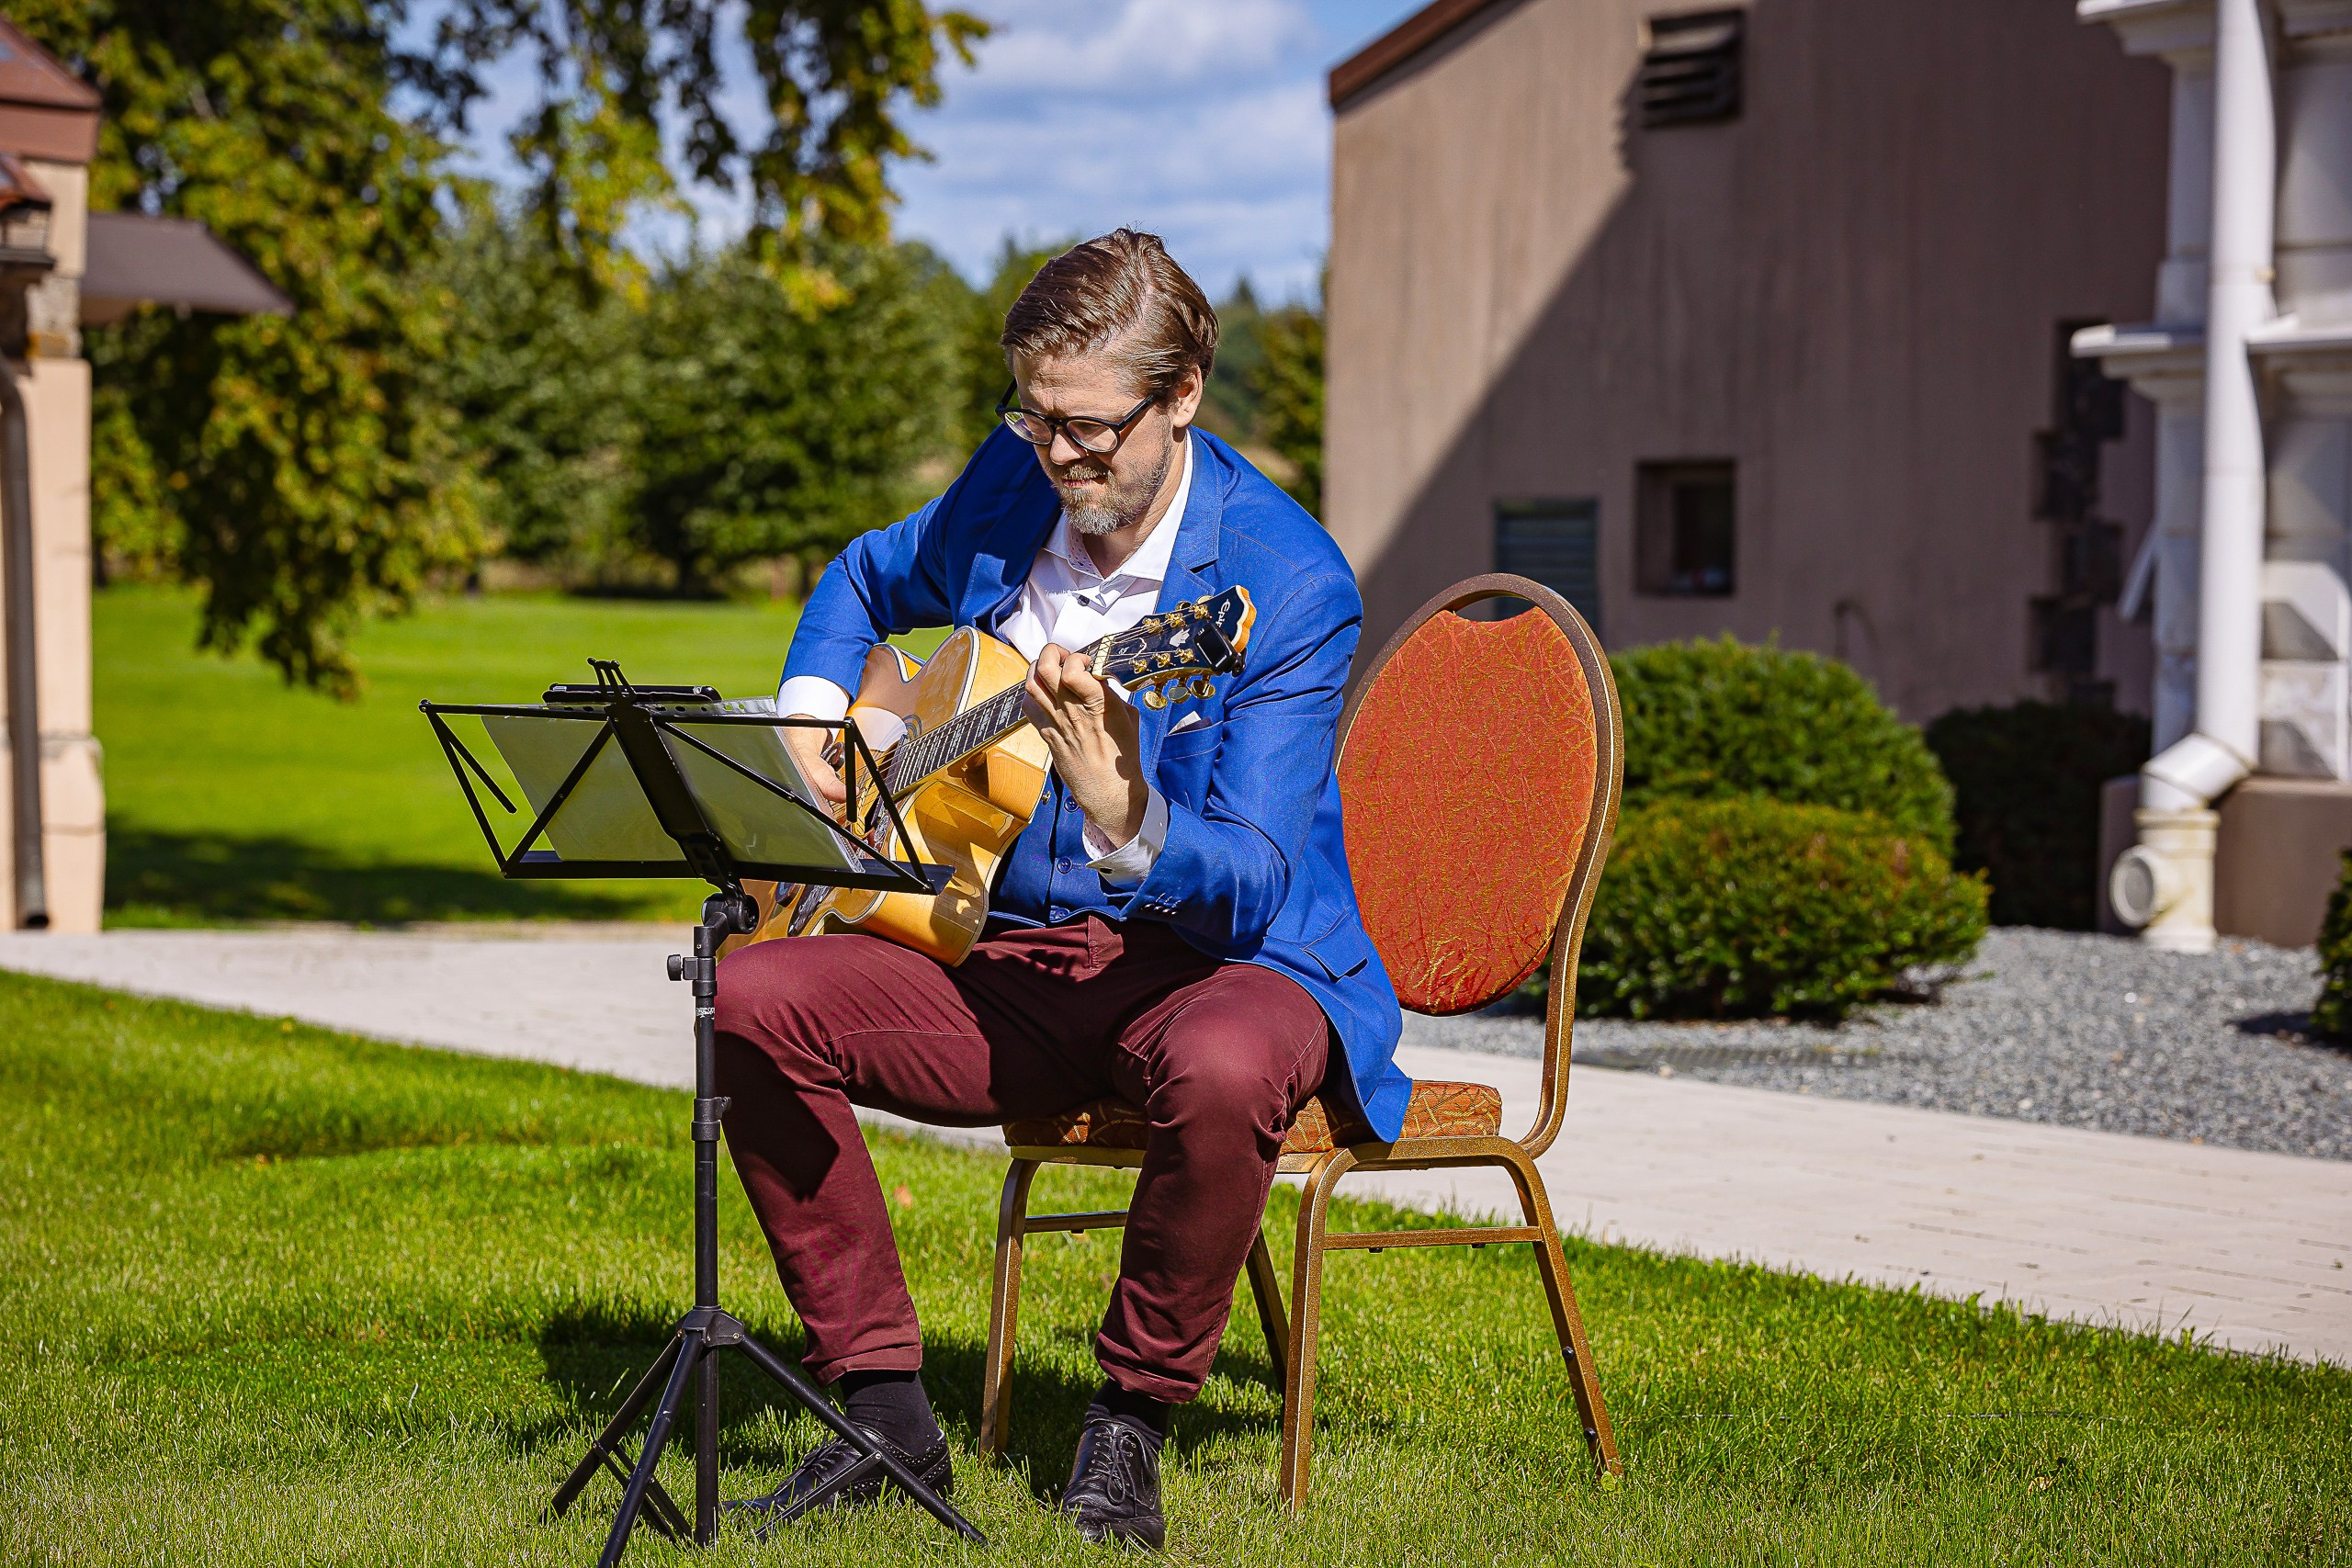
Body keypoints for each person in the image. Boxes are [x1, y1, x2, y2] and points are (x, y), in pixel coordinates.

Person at [714, 229, 1408, 1550]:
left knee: (1220, 1060)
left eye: (1090, 428)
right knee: (746, 994)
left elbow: (1252, 884)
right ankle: (882, 1415)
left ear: (1185, 395)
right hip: (1006, 954)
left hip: (1224, 964)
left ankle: (1128, 1424)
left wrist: (1128, 811)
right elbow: (866, 575)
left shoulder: (1286, 582)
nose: (1059, 455)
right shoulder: (1015, 477)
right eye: (1035, 418)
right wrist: (819, 720)